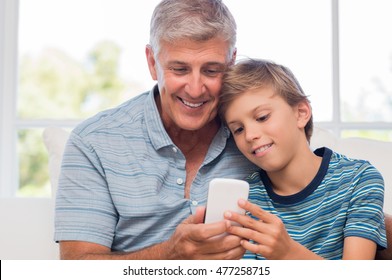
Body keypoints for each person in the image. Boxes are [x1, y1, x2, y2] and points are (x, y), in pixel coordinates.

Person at [54, 0, 258, 259]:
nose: (195, 89)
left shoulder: (256, 136)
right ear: (152, 62)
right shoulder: (93, 142)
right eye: (179, 69)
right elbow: (76, 267)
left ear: (231, 64)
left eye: (211, 70)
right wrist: (172, 254)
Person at [218, 58, 388, 259]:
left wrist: (288, 253)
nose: (249, 135)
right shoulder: (244, 201)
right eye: (238, 129)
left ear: (301, 113)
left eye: (262, 117)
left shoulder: (359, 180)